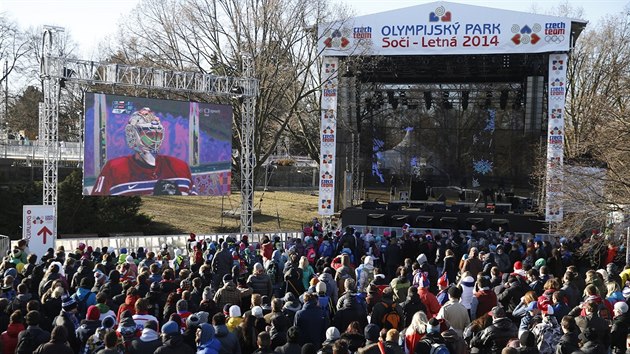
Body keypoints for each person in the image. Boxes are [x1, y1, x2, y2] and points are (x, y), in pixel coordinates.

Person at [91, 107, 196, 196]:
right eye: (149, 134)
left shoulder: (180, 167)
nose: (154, 139)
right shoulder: (114, 168)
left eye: (157, 134)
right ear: (132, 134)